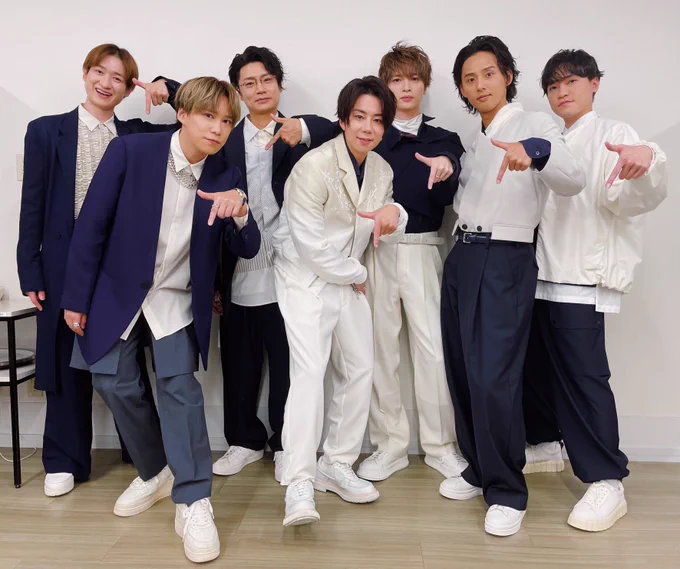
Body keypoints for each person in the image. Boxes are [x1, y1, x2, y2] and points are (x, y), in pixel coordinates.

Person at [61, 77, 261, 563]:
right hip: (117, 291)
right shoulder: (132, 152)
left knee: (180, 389)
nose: (217, 128)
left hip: (176, 297)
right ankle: (155, 470)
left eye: (226, 120)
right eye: (208, 116)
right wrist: (76, 297)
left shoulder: (226, 172)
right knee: (111, 380)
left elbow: (248, 245)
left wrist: (240, 212)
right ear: (183, 114)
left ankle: (194, 499)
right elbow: (91, 225)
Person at [438, 36, 585, 537]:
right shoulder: (477, 136)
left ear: (507, 76)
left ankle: (507, 492)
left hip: (504, 256)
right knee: (462, 368)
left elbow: (573, 177)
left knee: (493, 377)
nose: (480, 84)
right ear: (462, 89)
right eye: (469, 78)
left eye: (488, 73)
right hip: (463, 255)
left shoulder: (534, 124)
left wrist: (536, 152)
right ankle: (480, 468)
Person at [16, 43, 171, 498]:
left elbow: (192, 120)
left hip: (120, 269)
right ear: (85, 74)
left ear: (128, 89)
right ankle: (64, 459)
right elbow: (32, 205)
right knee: (65, 363)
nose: (106, 83)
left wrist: (167, 88)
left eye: (118, 78)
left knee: (126, 361)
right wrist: (30, 271)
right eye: (99, 72)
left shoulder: (136, 134)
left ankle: (144, 455)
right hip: (62, 265)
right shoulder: (46, 131)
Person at [522, 48, 668, 532]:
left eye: (571, 81)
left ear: (594, 84)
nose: (562, 91)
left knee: (585, 380)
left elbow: (636, 196)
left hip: (581, 279)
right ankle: (546, 444)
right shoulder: (551, 139)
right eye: (553, 85)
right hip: (539, 275)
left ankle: (607, 479)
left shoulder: (614, 134)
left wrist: (647, 160)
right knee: (537, 369)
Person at [272, 76, 408, 527]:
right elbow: (311, 247)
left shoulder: (382, 170)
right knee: (310, 373)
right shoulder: (312, 166)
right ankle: (298, 480)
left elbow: (388, 221)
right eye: (359, 117)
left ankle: (337, 462)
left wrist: (396, 213)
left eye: (377, 120)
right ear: (343, 120)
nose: (368, 128)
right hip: (305, 278)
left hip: (347, 278)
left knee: (360, 367)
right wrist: (359, 273)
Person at [357, 42, 467, 483]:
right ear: (385, 85)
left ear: (425, 84)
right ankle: (389, 446)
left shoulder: (445, 141)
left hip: (424, 248)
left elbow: (450, 193)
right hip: (376, 248)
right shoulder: (370, 136)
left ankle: (441, 446)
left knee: (432, 350)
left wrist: (445, 166)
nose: (405, 87)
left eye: (414, 79)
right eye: (397, 79)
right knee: (380, 350)